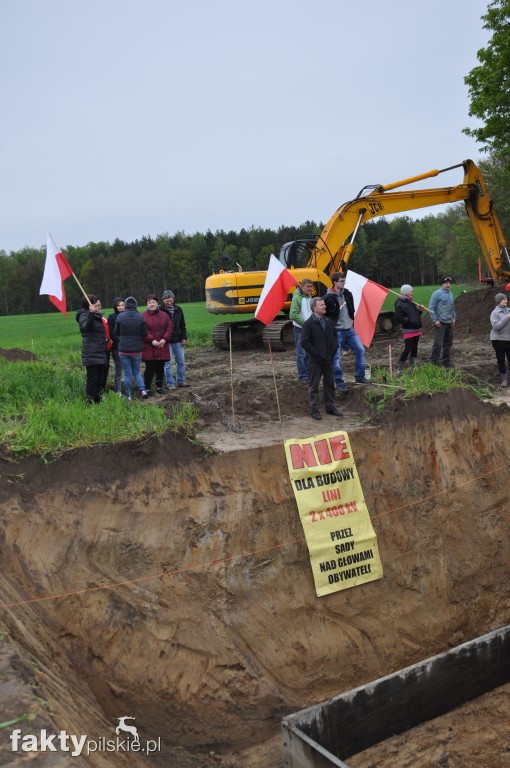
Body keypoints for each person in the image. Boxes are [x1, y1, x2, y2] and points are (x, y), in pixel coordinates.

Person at [300, 297, 342, 421]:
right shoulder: (308, 324)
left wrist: (332, 352)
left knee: (329, 384)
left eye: (324, 304)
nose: (324, 307)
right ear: (314, 308)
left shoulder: (328, 321)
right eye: (321, 305)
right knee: (314, 386)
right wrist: (316, 353)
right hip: (316, 361)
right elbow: (304, 342)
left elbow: (334, 338)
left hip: (328, 360)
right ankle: (314, 410)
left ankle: (330, 407)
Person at [324, 272, 368, 388]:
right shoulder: (327, 298)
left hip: (349, 330)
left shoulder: (348, 294)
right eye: (341, 281)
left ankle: (360, 377)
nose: (344, 283)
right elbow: (326, 315)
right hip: (337, 331)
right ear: (335, 282)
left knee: (360, 350)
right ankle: (339, 382)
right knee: (336, 357)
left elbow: (351, 309)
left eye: (344, 281)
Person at [113, 296, 148, 401]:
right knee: (136, 371)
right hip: (137, 350)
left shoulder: (120, 316)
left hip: (123, 349)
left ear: (126, 305)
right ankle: (143, 390)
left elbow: (116, 332)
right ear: (135, 305)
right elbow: (144, 333)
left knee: (127, 373)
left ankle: (129, 396)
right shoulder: (140, 316)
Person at [75, 294, 108, 404]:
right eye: (96, 305)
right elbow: (86, 328)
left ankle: (97, 398)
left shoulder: (97, 316)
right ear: (89, 305)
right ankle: (90, 401)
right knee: (92, 378)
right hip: (91, 352)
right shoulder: (83, 315)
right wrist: (90, 314)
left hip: (100, 351)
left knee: (100, 377)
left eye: (99, 305)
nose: (99, 307)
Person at [142, 294, 172, 394]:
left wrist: (164, 339)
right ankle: (147, 388)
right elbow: (143, 330)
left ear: (157, 303)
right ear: (147, 304)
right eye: (149, 302)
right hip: (149, 347)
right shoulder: (143, 315)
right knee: (150, 368)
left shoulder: (164, 315)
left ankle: (159, 387)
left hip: (162, 346)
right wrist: (152, 340)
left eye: (153, 302)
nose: (152, 304)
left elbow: (169, 328)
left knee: (160, 368)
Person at [160, 290, 189, 388]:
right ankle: (170, 384)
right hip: (166, 341)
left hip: (178, 340)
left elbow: (182, 325)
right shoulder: (160, 310)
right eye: (167, 301)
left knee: (180, 361)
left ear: (173, 299)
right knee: (167, 363)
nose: (169, 302)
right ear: (163, 300)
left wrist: (184, 338)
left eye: (170, 300)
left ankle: (180, 381)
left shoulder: (178, 309)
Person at [394, 284, 424, 372]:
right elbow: (398, 318)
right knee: (408, 348)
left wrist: (420, 311)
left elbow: (416, 315)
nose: (412, 293)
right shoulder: (399, 304)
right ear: (406, 293)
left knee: (415, 348)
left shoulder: (411, 302)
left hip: (416, 328)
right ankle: (400, 367)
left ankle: (412, 366)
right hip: (408, 329)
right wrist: (409, 320)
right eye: (410, 291)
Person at [429, 276, 456, 367]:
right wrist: (435, 320)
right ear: (442, 284)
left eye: (449, 283)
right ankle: (434, 362)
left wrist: (453, 318)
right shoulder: (436, 294)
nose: (448, 285)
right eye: (446, 283)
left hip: (449, 322)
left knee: (448, 344)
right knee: (438, 343)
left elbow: (452, 308)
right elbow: (431, 308)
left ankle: (446, 361)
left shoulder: (451, 294)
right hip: (440, 323)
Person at [289, 278, 313, 382]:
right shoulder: (297, 298)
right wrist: (305, 324)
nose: (310, 288)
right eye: (308, 286)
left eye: (311, 286)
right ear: (302, 286)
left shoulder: (309, 297)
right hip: (300, 329)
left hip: (308, 330)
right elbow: (293, 314)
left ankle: (308, 374)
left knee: (308, 353)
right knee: (302, 354)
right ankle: (303, 376)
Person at [490, 293, 510, 387]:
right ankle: (504, 380)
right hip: (498, 340)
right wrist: (507, 317)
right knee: (501, 360)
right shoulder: (495, 313)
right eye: (503, 299)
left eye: (506, 299)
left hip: (509, 339)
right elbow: (496, 326)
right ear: (498, 301)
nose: (506, 300)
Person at [107, 297, 125, 395]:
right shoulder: (112, 317)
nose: (121, 307)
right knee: (119, 368)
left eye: (122, 305)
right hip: (117, 347)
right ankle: (118, 390)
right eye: (119, 305)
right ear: (115, 306)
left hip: (128, 347)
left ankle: (129, 388)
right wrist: (119, 340)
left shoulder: (128, 315)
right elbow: (111, 332)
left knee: (129, 369)